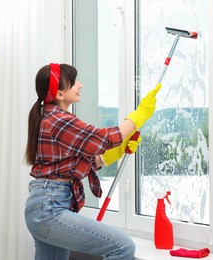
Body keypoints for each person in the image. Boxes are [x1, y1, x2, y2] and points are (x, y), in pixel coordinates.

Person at [24, 63, 161, 260]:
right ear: (60, 94)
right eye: (73, 83)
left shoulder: (50, 118)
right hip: (50, 207)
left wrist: (115, 153)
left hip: (45, 205)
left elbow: (82, 162)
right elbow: (104, 138)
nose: (79, 85)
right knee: (123, 247)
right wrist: (139, 116)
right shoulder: (58, 119)